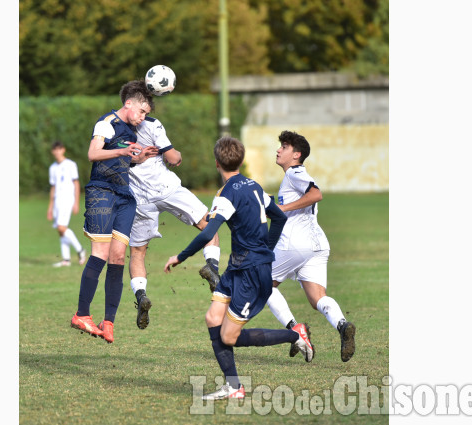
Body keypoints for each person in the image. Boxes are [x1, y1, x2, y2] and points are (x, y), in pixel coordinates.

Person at [164, 136, 315, 401]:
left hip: (251, 273)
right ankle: (233, 387)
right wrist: (267, 246)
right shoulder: (253, 185)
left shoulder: (228, 192)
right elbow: (278, 216)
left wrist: (181, 255)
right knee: (213, 319)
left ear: (216, 163)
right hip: (238, 267)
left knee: (229, 336)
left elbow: (208, 232)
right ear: (240, 160)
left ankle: (294, 335)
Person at [70, 80, 158, 343]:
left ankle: (108, 322)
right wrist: (124, 150)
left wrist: (137, 158)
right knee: (101, 252)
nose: (143, 118)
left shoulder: (132, 130)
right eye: (142, 111)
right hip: (101, 193)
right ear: (128, 103)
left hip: (124, 196)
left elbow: (119, 158)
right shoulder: (105, 123)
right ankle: (81, 315)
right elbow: (93, 153)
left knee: (118, 257)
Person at [265, 130, 356, 362]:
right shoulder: (293, 175)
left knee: (262, 284)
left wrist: (282, 209)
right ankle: (343, 325)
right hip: (317, 244)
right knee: (318, 299)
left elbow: (316, 194)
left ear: (296, 154)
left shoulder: (295, 173)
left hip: (296, 243)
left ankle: (295, 330)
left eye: (283, 147)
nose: (278, 150)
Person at [128, 116, 220, 330]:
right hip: (167, 189)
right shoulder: (151, 123)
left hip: (141, 198)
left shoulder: (115, 127)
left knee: (137, 253)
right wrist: (176, 154)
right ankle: (212, 268)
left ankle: (141, 295)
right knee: (210, 226)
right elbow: (173, 158)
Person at [47, 141, 86, 267]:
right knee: (60, 230)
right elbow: (53, 187)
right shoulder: (53, 167)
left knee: (61, 227)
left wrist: (76, 201)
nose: (57, 152)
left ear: (63, 150)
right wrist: (50, 206)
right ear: (53, 152)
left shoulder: (70, 165)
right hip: (57, 200)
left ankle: (80, 250)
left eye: (59, 149)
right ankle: (66, 259)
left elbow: (76, 183)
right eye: (55, 150)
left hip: (67, 199)